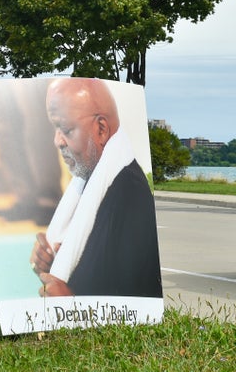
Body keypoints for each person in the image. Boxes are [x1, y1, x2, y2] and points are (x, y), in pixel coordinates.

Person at [30, 78, 162, 298]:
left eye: (66, 129)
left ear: (101, 129)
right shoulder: (94, 181)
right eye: (55, 129)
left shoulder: (129, 196)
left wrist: (69, 302)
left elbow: (136, 297)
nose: (57, 141)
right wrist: (52, 262)